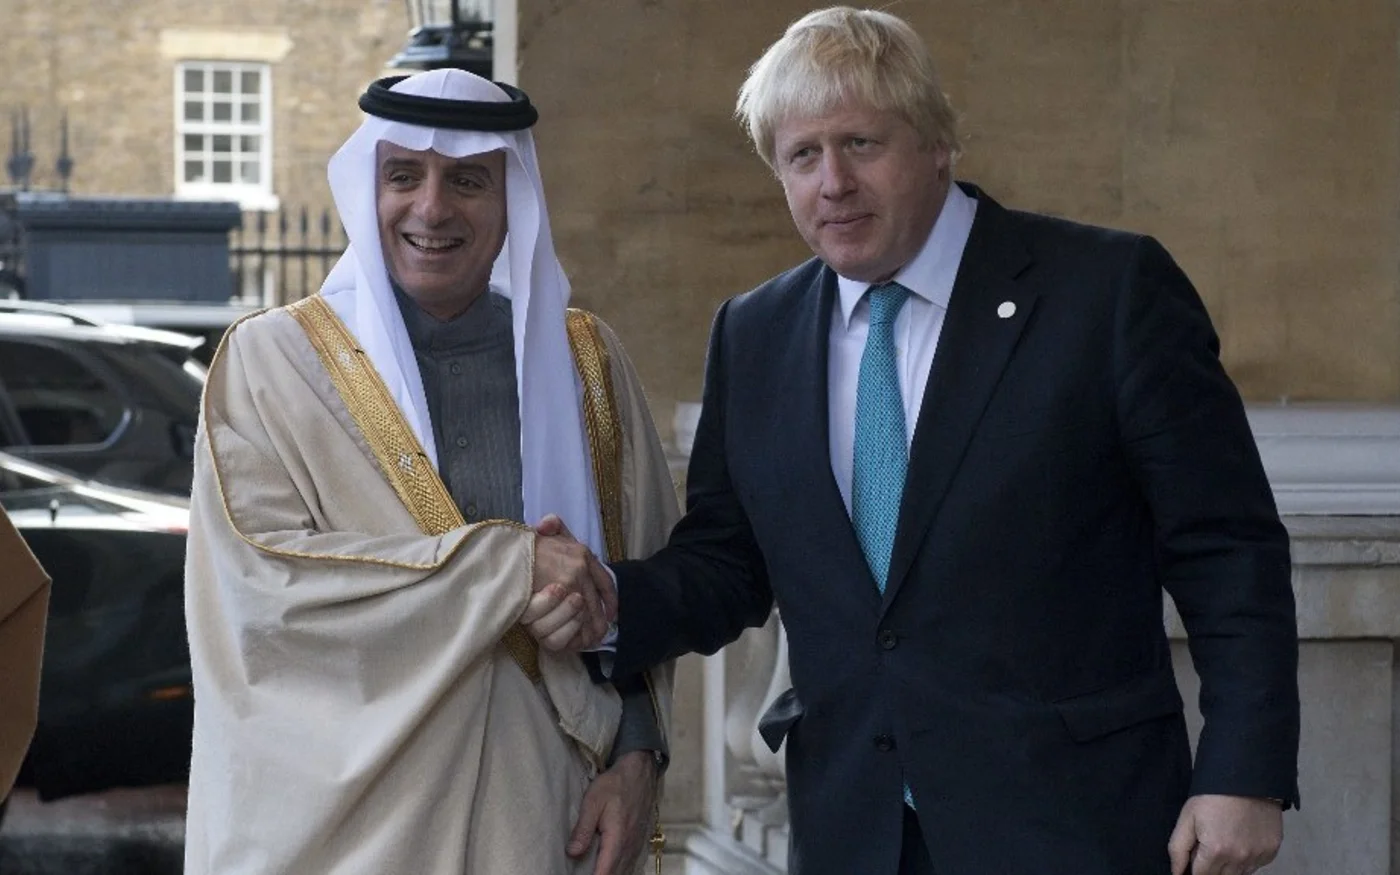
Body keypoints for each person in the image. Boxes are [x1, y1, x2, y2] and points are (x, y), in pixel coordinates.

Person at [527, 7, 1300, 875]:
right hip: (855, 828)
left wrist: (1245, 772)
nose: (833, 183)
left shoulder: (1106, 294)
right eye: (802, 156)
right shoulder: (755, 332)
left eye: (861, 143)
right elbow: (730, 560)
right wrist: (611, 601)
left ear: (938, 143)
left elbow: (1225, 544)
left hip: (1073, 823)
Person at [183, 68, 680, 875]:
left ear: (513, 198)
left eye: (469, 181)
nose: (432, 208)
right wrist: (505, 569)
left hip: (547, 827)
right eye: (403, 175)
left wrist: (637, 761)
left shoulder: (586, 363)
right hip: (352, 838)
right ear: (365, 188)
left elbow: (644, 596)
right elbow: (267, 603)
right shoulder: (273, 365)